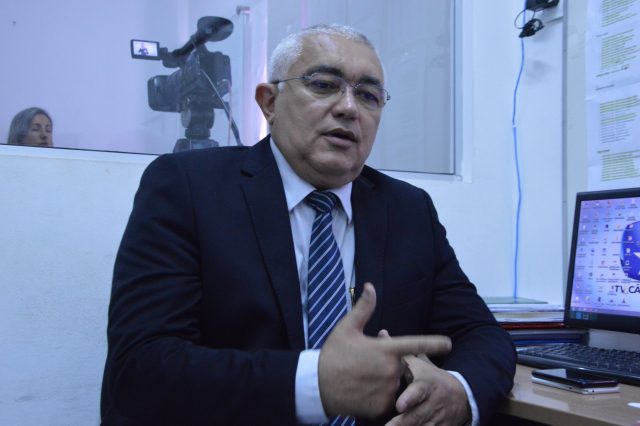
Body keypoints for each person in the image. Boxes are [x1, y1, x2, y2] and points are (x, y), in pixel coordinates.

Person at [101, 24, 515, 425]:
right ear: (269, 103)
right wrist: (314, 385)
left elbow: (480, 332)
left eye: (368, 95)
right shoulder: (188, 189)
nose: (349, 108)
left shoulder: (409, 210)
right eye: (323, 85)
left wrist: (459, 392)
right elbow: (138, 371)